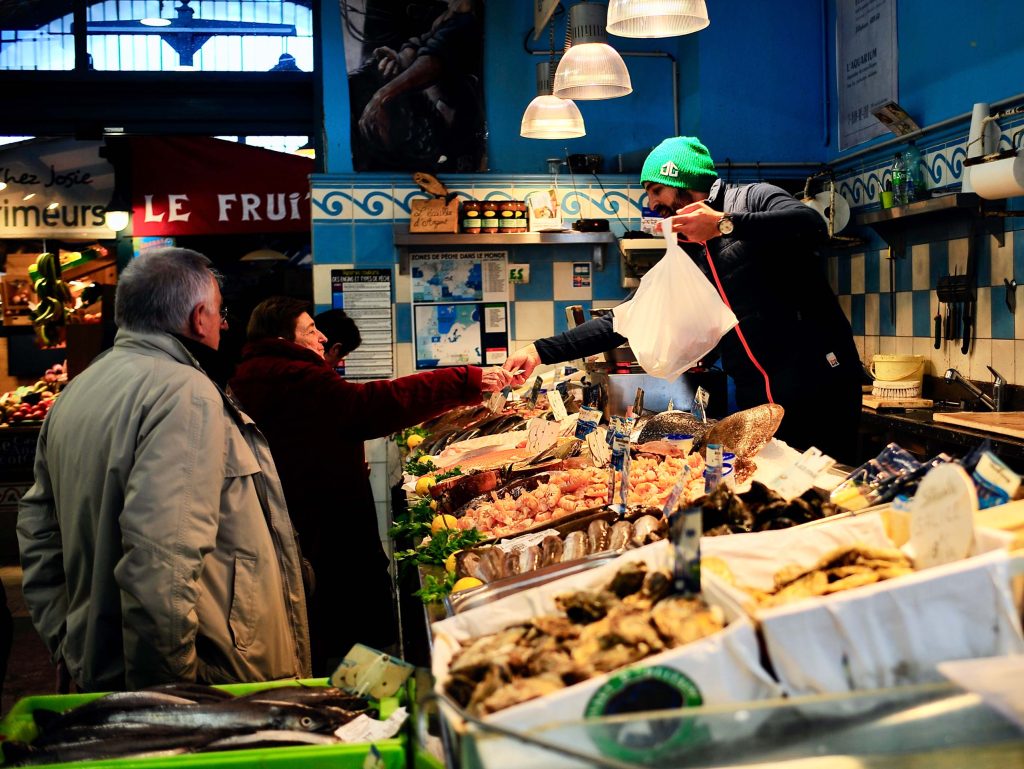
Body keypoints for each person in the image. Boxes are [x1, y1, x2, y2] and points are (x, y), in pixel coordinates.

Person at [17, 248, 311, 692]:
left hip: (106, 671)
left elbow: (38, 537)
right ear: (198, 318)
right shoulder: (184, 393)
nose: (224, 324)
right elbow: (162, 561)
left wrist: (70, 645)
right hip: (207, 683)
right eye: (220, 312)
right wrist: (170, 696)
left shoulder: (80, 389)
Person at [504, 136, 863, 464]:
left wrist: (725, 223)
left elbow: (811, 222)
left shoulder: (753, 197)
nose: (651, 203)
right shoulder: (688, 253)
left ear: (683, 182)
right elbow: (623, 320)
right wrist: (539, 351)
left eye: (656, 190)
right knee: (777, 495)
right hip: (758, 397)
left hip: (819, 382)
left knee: (831, 484)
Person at [229, 297, 512, 675]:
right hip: (323, 523)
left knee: (312, 617)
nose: (321, 336)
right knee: (344, 619)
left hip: (289, 518)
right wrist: (464, 380)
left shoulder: (252, 373)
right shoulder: (295, 376)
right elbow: (370, 406)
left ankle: (332, 685)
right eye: (310, 330)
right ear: (284, 339)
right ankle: (359, 702)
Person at [346, 0, 485, 172]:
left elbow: (439, 52)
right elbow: (423, 42)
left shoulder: (470, 18)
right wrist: (398, 60)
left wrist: (381, 96)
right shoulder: (445, 16)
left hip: (458, 123)